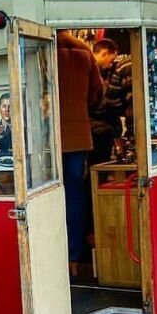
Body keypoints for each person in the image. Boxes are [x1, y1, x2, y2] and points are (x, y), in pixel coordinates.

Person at [57, 31, 103, 274]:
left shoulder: (40, 44)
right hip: (78, 135)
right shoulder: (84, 50)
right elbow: (97, 93)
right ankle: (74, 257)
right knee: (75, 194)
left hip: (46, 137)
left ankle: (54, 254)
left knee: (46, 195)